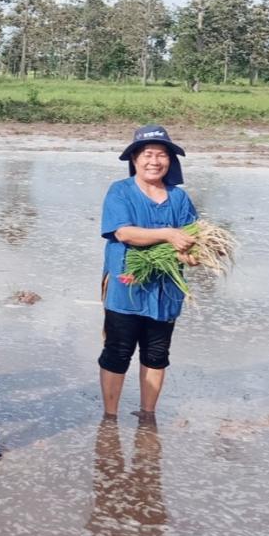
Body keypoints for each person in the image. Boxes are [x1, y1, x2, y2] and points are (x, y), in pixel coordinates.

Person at [98, 124, 198, 421]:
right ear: (134, 159)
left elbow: (192, 237)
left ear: (171, 161)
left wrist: (191, 255)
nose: (154, 161)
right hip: (125, 288)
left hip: (166, 290)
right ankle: (110, 417)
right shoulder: (120, 191)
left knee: (156, 353)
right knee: (118, 351)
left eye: (162, 155)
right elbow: (124, 232)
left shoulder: (179, 198)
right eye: (147, 154)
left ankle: (148, 414)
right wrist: (169, 235)